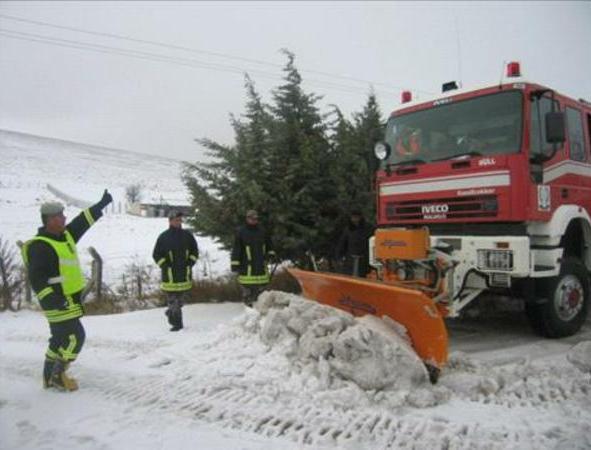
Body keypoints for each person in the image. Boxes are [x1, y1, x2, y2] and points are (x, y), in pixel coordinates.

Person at [21, 189, 113, 391]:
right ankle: (58, 375)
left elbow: (83, 221)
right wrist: (53, 300)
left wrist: (101, 204)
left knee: (59, 339)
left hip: (69, 299)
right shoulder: (40, 246)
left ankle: (47, 377)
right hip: (57, 301)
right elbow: (37, 279)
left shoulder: (65, 236)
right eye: (60, 216)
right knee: (75, 337)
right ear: (50, 220)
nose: (64, 219)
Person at [152, 210, 199, 331]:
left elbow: (195, 251)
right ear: (170, 221)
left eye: (180, 220)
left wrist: (190, 262)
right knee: (173, 300)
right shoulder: (163, 237)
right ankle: (177, 324)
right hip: (170, 276)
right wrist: (165, 265)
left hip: (184, 274)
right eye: (176, 220)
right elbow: (156, 254)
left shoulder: (187, 235)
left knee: (182, 300)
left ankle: (170, 312)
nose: (179, 222)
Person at [231, 209, 276, 307]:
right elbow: (236, 249)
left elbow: (269, 245)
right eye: (252, 219)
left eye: (256, 219)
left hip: (261, 268)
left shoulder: (262, 231)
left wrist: (271, 254)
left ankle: (262, 310)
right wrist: (235, 264)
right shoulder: (241, 232)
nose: (254, 221)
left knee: (263, 293)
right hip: (246, 268)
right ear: (247, 219)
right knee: (248, 293)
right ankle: (249, 310)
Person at [334, 209, 374, 277]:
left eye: (357, 217)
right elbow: (342, 244)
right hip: (350, 261)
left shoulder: (368, 228)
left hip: (364, 260)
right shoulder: (348, 229)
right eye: (353, 217)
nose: (355, 219)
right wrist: (339, 257)